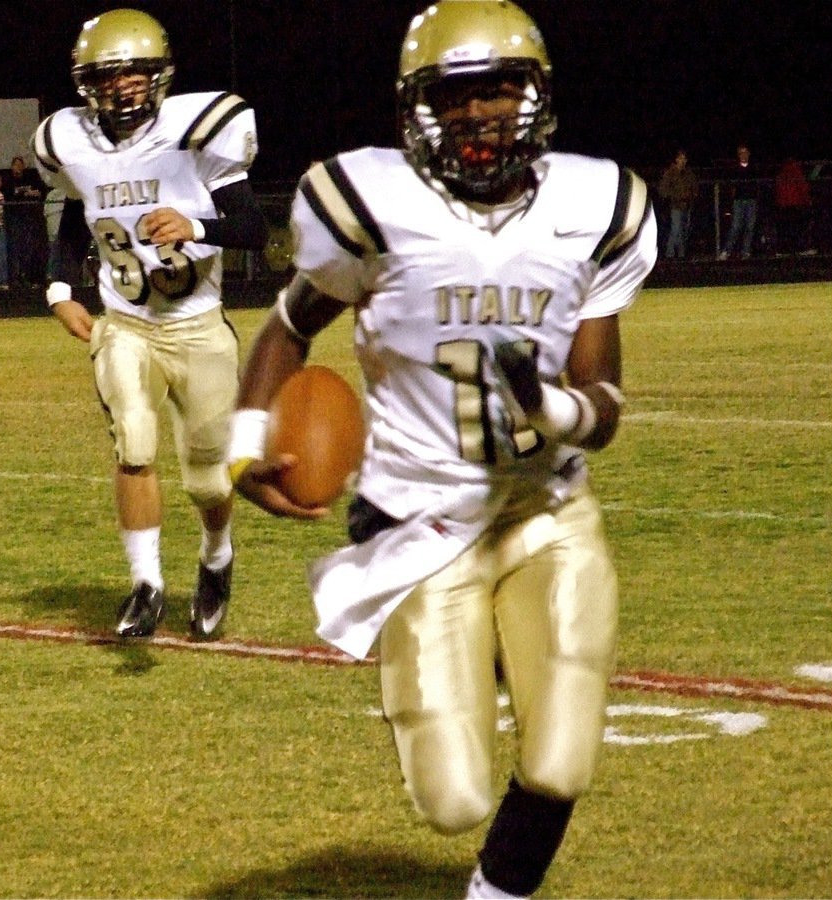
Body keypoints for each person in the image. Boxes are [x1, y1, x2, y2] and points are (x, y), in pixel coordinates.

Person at [226, 3, 656, 898]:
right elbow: (287, 325)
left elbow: (606, 404)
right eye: (455, 95)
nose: (479, 114)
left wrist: (556, 410)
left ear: (536, 96)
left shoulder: (596, 204)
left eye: (500, 90)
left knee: (562, 758)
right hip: (417, 519)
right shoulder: (371, 204)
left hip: (546, 510)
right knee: (452, 796)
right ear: (416, 108)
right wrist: (244, 444)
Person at [35, 8, 268, 640]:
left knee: (207, 479)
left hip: (197, 326)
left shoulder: (200, 130)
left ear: (158, 76)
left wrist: (196, 228)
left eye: (134, 76)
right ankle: (146, 583)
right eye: (108, 78)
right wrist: (59, 288)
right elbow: (71, 217)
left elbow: (255, 229)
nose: (122, 89)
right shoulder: (70, 140)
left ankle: (216, 555)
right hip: (127, 323)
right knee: (134, 445)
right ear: (89, 86)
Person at [0, 155, 45, 288]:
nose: (18, 168)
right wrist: (21, 192)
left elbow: (40, 192)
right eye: (16, 165)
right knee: (14, 249)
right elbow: (8, 195)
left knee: (28, 250)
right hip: (13, 219)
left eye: (20, 165)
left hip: (29, 220)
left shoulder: (31, 179)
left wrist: (32, 193)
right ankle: (14, 278)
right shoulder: (8, 181)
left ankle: (28, 276)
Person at [719, 144, 758, 259]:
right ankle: (726, 250)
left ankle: (746, 251)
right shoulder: (734, 168)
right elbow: (730, 184)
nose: (743, 155)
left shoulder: (753, 167)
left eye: (745, 152)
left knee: (750, 226)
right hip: (738, 200)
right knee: (736, 226)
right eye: (741, 153)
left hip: (751, 200)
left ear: (749, 154)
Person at [657, 149, 697, 259]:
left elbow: (694, 187)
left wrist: (692, 196)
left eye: (684, 159)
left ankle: (681, 254)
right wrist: (674, 196)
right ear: (676, 159)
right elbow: (662, 190)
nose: (682, 161)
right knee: (676, 229)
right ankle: (670, 254)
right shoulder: (670, 173)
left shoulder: (689, 173)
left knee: (684, 230)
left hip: (687, 205)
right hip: (675, 205)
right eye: (680, 158)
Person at [773, 156, 814, 256]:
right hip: (796, 204)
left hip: (784, 205)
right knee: (798, 228)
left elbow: (778, 190)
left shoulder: (782, 173)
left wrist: (779, 203)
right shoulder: (796, 172)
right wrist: (807, 201)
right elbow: (803, 188)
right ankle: (800, 248)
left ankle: (784, 250)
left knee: (785, 229)